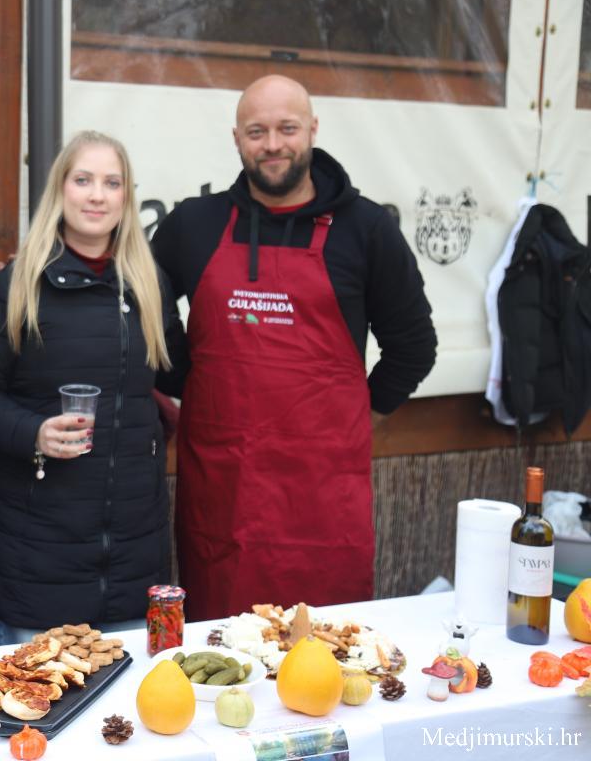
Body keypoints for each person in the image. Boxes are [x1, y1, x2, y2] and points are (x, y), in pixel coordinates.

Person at [151, 74, 437, 620]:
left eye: (287, 128)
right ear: (237, 138)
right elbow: (140, 305)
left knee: (323, 651)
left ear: (312, 130)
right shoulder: (195, 223)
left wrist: (358, 419)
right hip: (223, 497)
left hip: (323, 502)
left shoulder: (366, 228)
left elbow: (414, 346)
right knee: (223, 651)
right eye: (257, 131)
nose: (273, 145)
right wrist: (190, 381)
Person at [0, 131, 187, 642]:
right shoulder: (18, 285)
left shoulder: (148, 285)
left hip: (135, 559)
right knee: (40, 691)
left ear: (127, 197)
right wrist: (33, 433)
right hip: (39, 559)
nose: (97, 195)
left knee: (136, 692)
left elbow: (181, 372)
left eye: (112, 183)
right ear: (60, 190)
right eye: (83, 180)